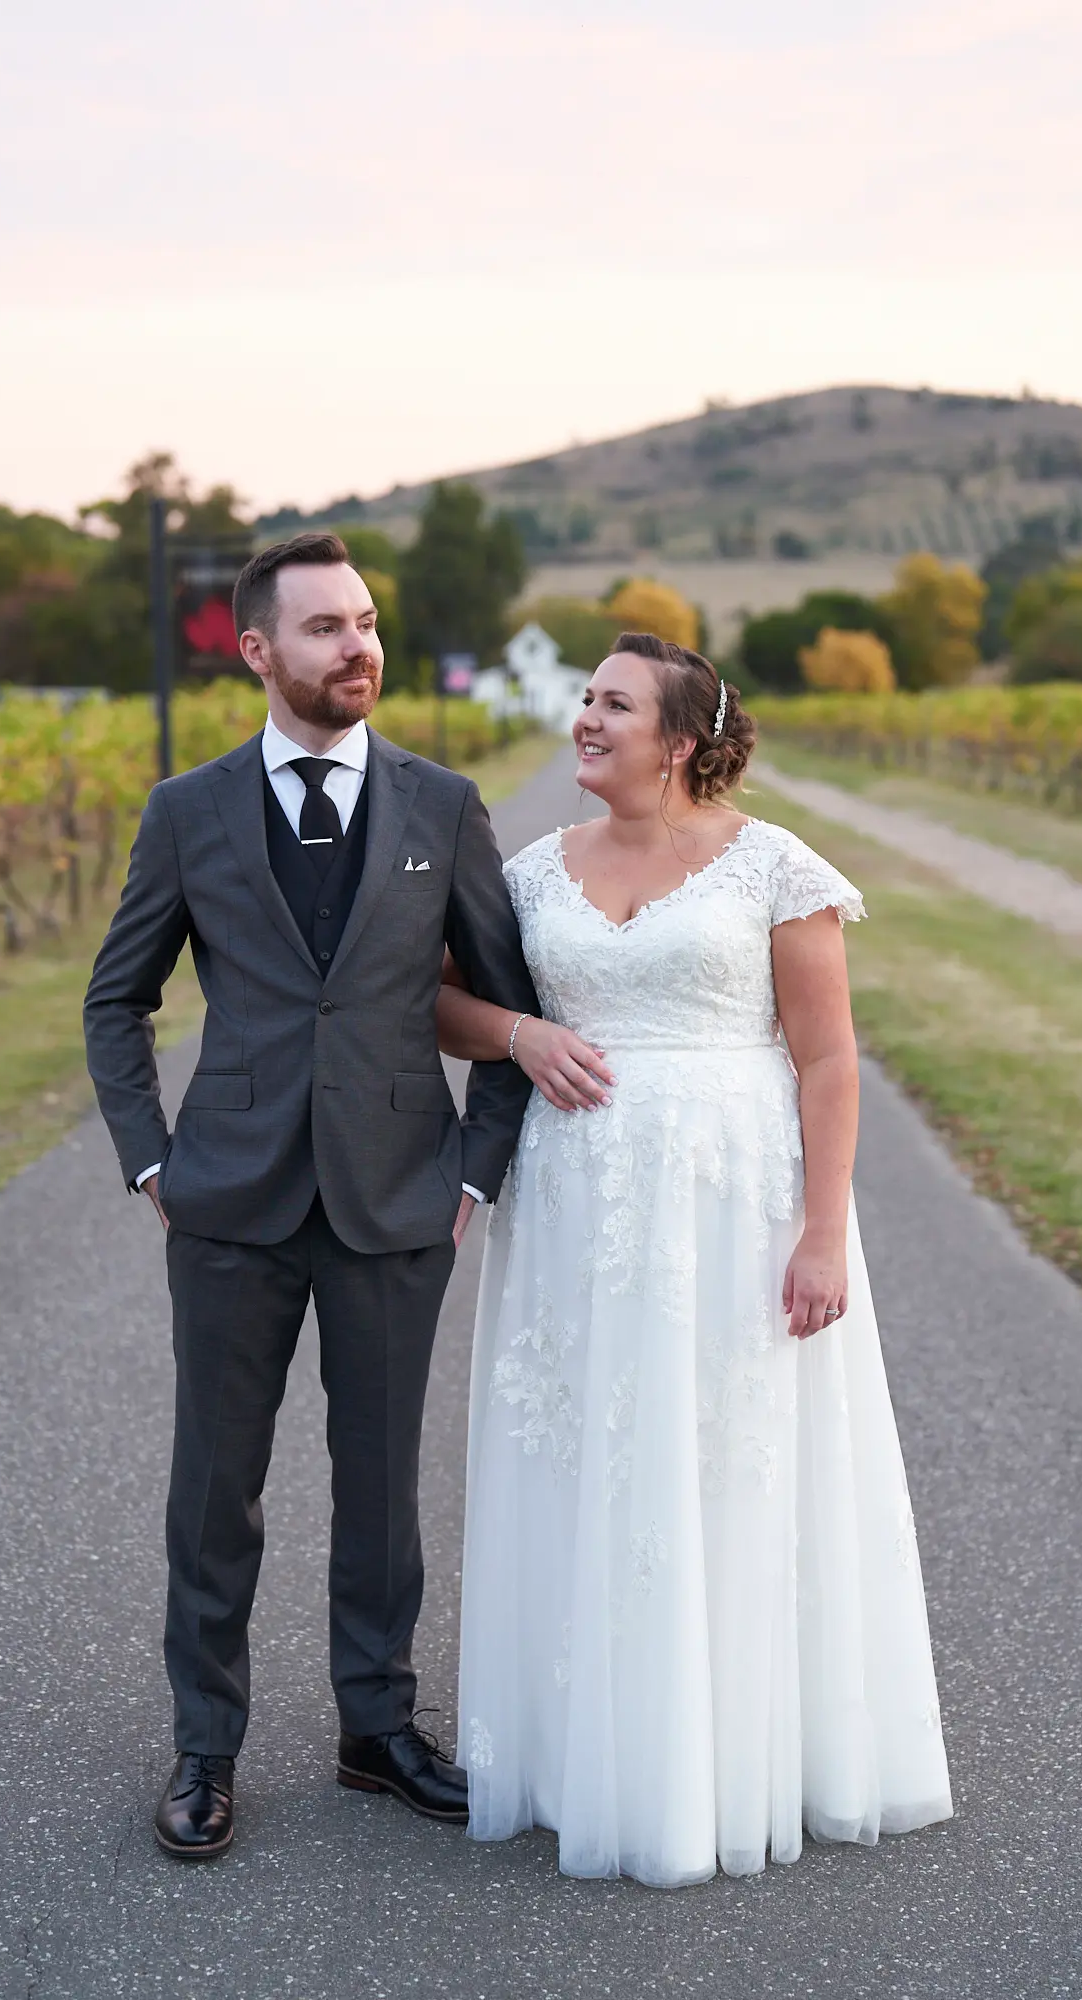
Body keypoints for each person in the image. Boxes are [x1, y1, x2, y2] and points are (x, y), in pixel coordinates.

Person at [437, 633, 952, 1887]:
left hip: (734, 1205)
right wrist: (516, 1034)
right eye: (585, 698)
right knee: (585, 1454)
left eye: (612, 702)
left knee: (727, 1454)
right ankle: (593, 1751)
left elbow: (827, 1059)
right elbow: (440, 998)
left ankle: (732, 1750)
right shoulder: (531, 872)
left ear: (679, 739)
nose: (584, 718)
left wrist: (822, 1228)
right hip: (572, 1204)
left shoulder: (775, 867)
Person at [83, 533, 538, 1860]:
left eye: (369, 621)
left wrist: (473, 1173)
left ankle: (376, 1731)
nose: (360, 648)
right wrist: (151, 1158)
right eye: (328, 627)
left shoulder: (442, 804)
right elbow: (118, 1001)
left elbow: (508, 1006)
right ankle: (205, 1747)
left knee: (381, 1483)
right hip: (225, 1202)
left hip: (400, 1201)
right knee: (215, 1486)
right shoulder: (187, 812)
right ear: (257, 650)